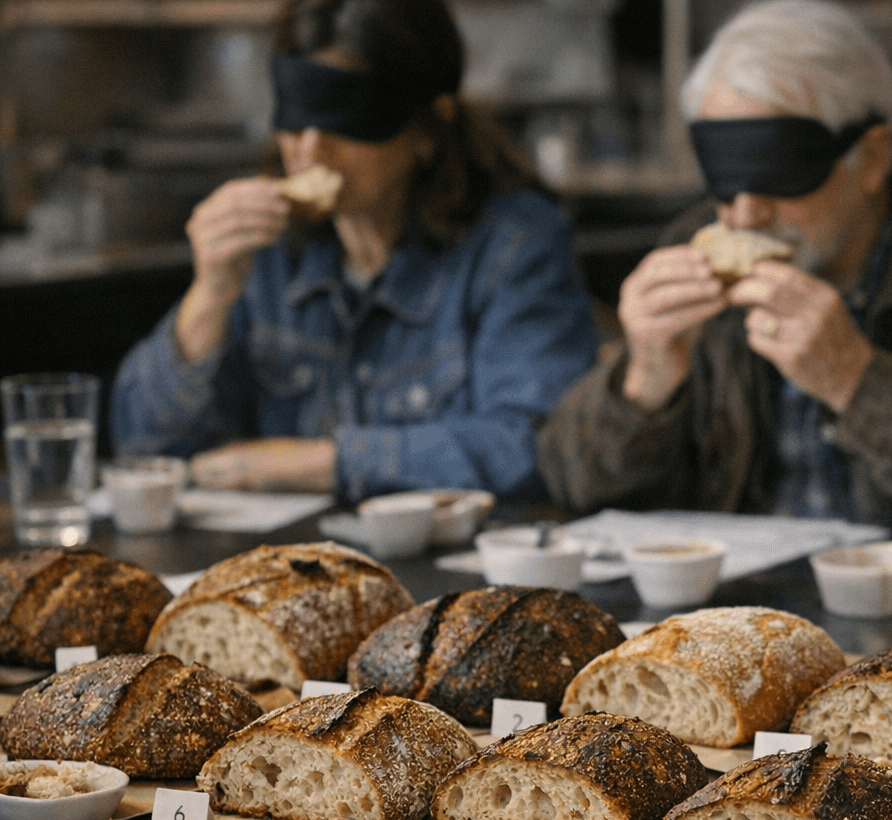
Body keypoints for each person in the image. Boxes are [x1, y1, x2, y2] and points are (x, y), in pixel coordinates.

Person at [537, 0, 892, 547]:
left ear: (872, 158)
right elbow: (571, 486)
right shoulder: (692, 246)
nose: (745, 215)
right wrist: (643, 386)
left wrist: (857, 382)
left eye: (780, 178)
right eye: (724, 182)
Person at [111, 0, 598, 501]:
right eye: (295, 120)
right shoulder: (264, 251)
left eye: (344, 121)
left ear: (427, 129)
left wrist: (325, 463)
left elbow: (537, 448)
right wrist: (209, 297)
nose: (311, 152)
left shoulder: (516, 247)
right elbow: (144, 451)